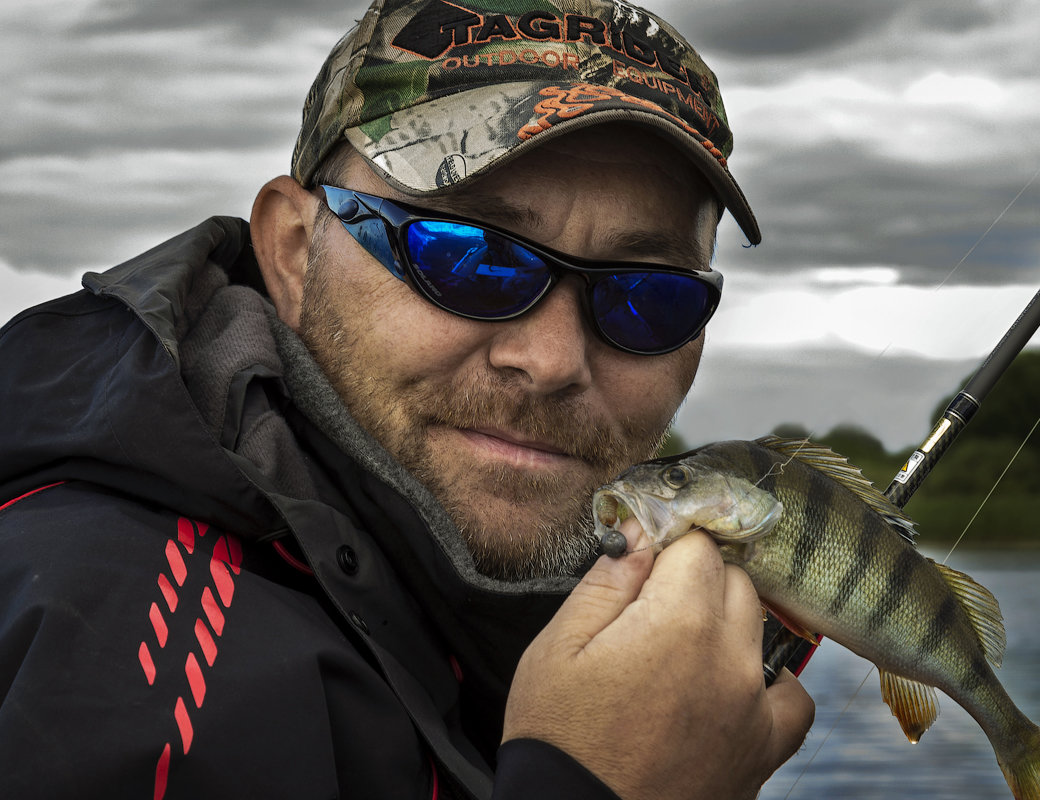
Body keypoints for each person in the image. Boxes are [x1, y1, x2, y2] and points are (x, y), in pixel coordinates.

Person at [0, 1, 814, 798]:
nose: (552, 360)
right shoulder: (128, 654)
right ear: (291, 252)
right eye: (466, 256)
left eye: (649, 297)